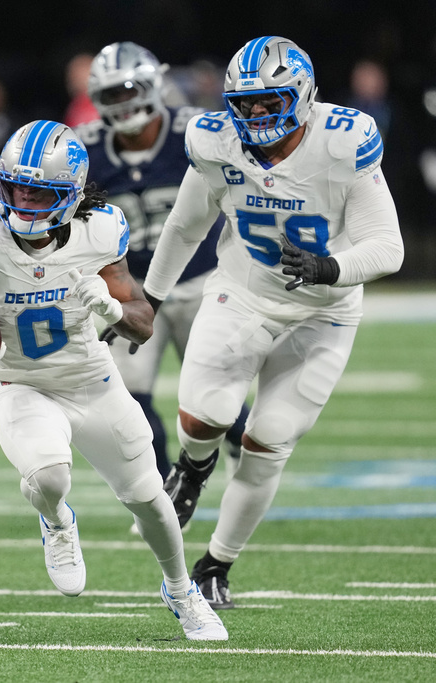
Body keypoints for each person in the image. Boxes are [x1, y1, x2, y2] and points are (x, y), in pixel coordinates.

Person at [0, 119, 227, 641]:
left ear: (70, 197)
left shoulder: (100, 231)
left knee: (150, 500)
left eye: (38, 192)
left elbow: (143, 321)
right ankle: (56, 519)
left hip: (89, 375)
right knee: (49, 475)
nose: (22, 203)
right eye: (14, 188)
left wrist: (111, 307)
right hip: (14, 380)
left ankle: (181, 590)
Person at [142, 36, 404, 610]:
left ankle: (216, 565)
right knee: (204, 414)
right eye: (247, 103)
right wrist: (152, 297)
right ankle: (193, 466)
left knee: (269, 441)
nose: (256, 114)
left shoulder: (342, 141)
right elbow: (186, 227)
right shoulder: (215, 141)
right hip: (243, 294)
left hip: (324, 311)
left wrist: (329, 267)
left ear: (304, 95)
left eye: (271, 101)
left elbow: (388, 248)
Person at [83, 41, 250, 485]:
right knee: (127, 397)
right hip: (133, 289)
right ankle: (162, 491)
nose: (121, 102)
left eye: (129, 89)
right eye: (111, 94)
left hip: (203, 279)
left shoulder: (194, 131)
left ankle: (243, 461)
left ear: (154, 84)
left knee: (216, 395)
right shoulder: (86, 150)